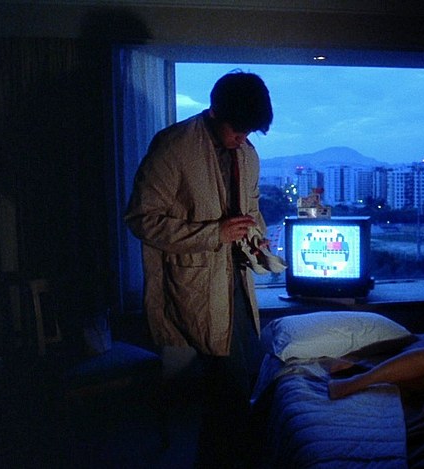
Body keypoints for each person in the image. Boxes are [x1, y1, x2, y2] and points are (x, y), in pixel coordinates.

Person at [123, 70, 274, 469]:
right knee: (228, 387)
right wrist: (214, 233)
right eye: (236, 130)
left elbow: (251, 208)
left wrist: (255, 238)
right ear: (215, 111)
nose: (241, 138)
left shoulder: (247, 154)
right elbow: (141, 219)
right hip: (195, 283)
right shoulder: (174, 147)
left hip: (235, 280)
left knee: (237, 383)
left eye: (249, 132)